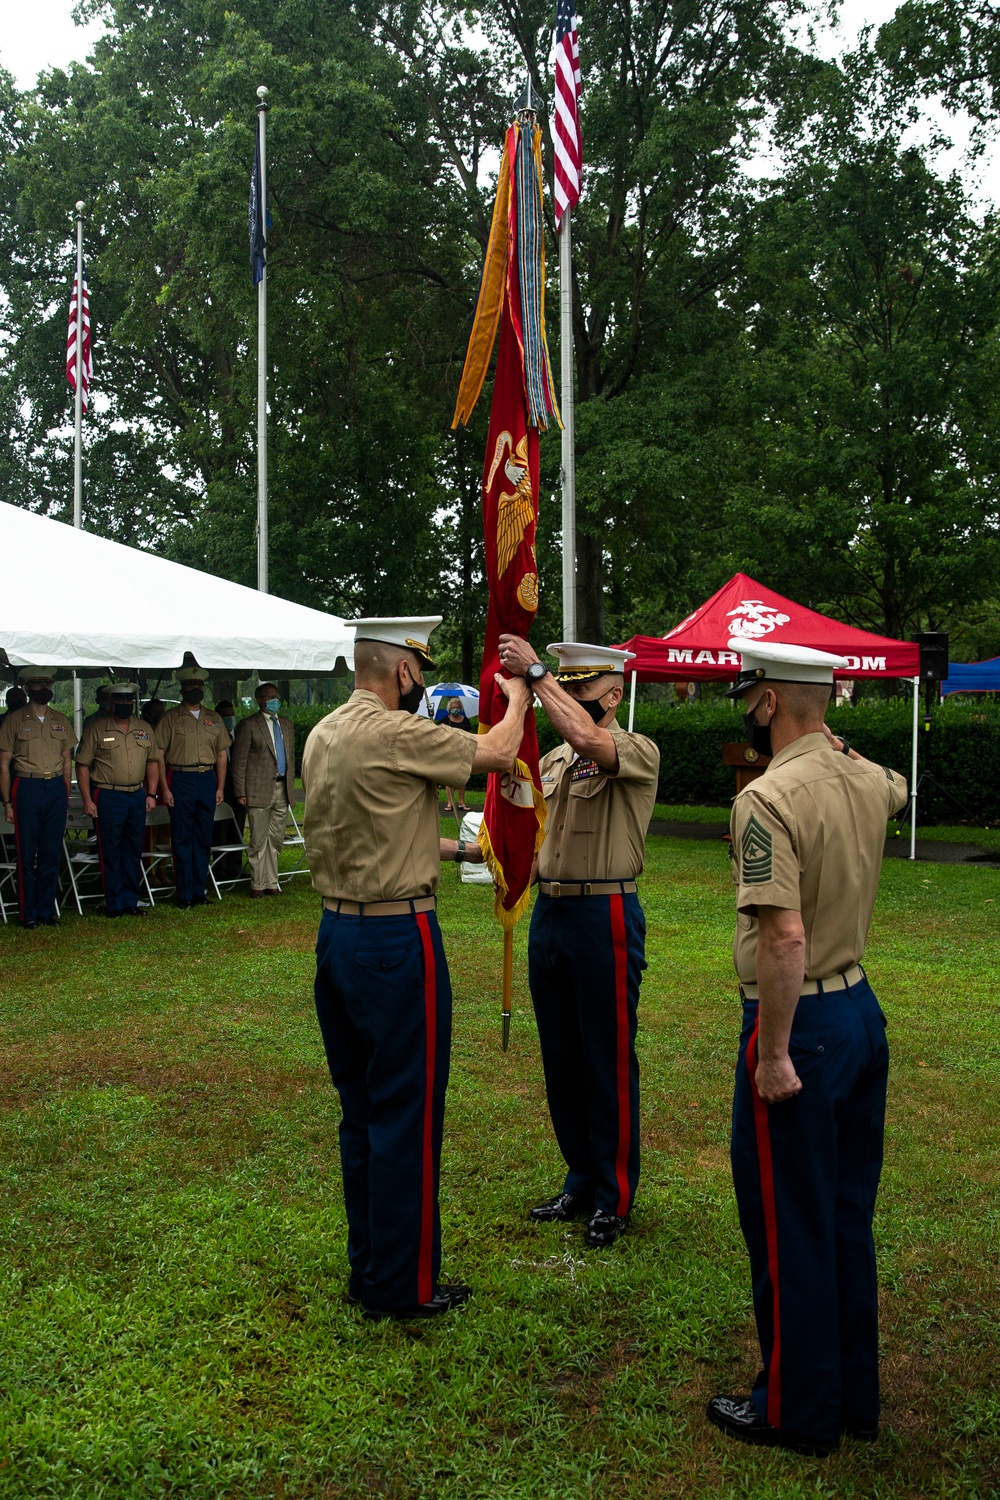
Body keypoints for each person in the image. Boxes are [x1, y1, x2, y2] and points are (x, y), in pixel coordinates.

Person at [706, 639, 908, 1457]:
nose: (747, 713)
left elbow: (783, 936)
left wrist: (774, 1053)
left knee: (791, 1221)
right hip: (860, 1009)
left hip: (803, 1026)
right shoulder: (868, 778)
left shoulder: (766, 798)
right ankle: (854, 1395)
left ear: (766, 702)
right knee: (844, 1214)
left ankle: (795, 1408)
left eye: (749, 697)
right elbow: (899, 788)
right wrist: (837, 742)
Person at [303, 616, 530, 1320]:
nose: (421, 682)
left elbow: (372, 823)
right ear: (402, 671)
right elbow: (496, 750)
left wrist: (459, 852)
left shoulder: (324, 734)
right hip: (396, 940)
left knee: (362, 1113)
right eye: (419, 671)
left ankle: (370, 1268)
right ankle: (404, 1286)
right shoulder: (396, 731)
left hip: (336, 934)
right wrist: (519, 692)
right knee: (408, 1114)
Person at [498, 635, 660, 1249]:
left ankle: (614, 1195)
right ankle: (581, 1179)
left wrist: (536, 674)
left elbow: (592, 739)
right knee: (562, 1057)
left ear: (613, 694)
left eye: (577, 688)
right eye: (562, 686)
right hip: (551, 914)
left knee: (607, 1057)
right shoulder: (556, 761)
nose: (564, 697)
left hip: (605, 914)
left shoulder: (632, 748)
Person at [76, 683, 159, 917]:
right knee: (110, 850)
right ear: (111, 703)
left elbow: (153, 761)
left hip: (136, 794)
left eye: (129, 702)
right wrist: (87, 799)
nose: (125, 706)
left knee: (133, 849)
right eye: (120, 702)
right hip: (108, 794)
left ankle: (131, 901)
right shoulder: (96, 728)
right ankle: (114, 903)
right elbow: (82, 765)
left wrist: (151, 793)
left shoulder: (144, 728)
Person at [0, 668, 74, 929]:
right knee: (26, 852)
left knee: (51, 852)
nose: (44, 688)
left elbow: (67, 761)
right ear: (28, 687)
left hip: (54, 785)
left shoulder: (61, 720)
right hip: (27, 785)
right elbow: (4, 762)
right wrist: (7, 801)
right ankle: (27, 912)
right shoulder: (15, 720)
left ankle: (45, 910)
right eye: (39, 683)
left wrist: (64, 794)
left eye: (48, 683)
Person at [155, 668, 229, 907]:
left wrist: (220, 787)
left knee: (203, 838)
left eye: (199, 687)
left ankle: (200, 891)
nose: (195, 691)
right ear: (182, 689)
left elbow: (221, 754)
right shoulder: (170, 718)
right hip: (181, 778)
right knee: (182, 838)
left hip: (207, 779)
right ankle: (185, 894)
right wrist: (164, 789)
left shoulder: (214, 718)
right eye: (190, 687)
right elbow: (158, 754)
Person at [231, 683, 295, 897]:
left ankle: (272, 882)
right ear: (259, 700)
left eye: (276, 696)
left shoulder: (286, 725)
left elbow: (291, 759)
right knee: (258, 840)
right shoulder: (249, 725)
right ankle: (257, 884)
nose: (274, 700)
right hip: (257, 789)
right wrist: (240, 791)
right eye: (269, 696)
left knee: (275, 838)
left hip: (282, 788)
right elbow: (238, 762)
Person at [437, 698, 474, 815]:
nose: (455, 709)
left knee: (463, 778)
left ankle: (462, 802)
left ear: (461, 708)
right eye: (453, 707)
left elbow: (470, 736)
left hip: (463, 751)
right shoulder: (444, 721)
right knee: (450, 777)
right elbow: (438, 734)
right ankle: (450, 802)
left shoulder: (465, 721)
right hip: (449, 752)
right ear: (449, 708)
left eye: (457, 707)